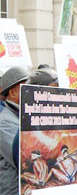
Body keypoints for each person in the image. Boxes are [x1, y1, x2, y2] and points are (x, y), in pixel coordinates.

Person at [0, 66, 30, 195]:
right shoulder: (4, 122)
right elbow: (23, 159)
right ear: (13, 93)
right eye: (27, 88)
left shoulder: (21, 116)